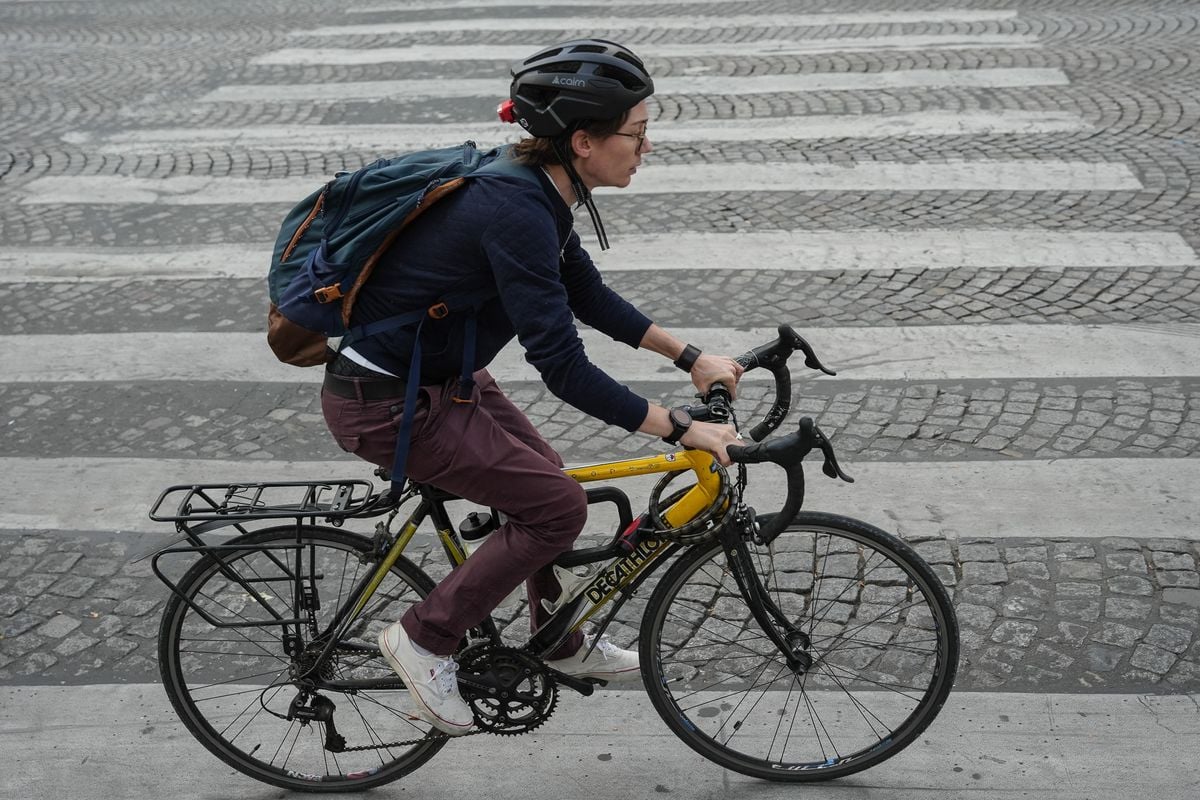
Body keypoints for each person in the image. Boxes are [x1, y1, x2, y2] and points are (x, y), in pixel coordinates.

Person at [319, 38, 743, 736]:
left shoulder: (538, 188)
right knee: (555, 509)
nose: (647, 148)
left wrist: (689, 356)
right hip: (387, 403)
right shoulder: (515, 208)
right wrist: (680, 427)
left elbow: (586, 292)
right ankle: (425, 638)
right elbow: (563, 368)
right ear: (583, 141)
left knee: (549, 486)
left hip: (440, 380)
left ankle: (561, 640)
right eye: (637, 134)